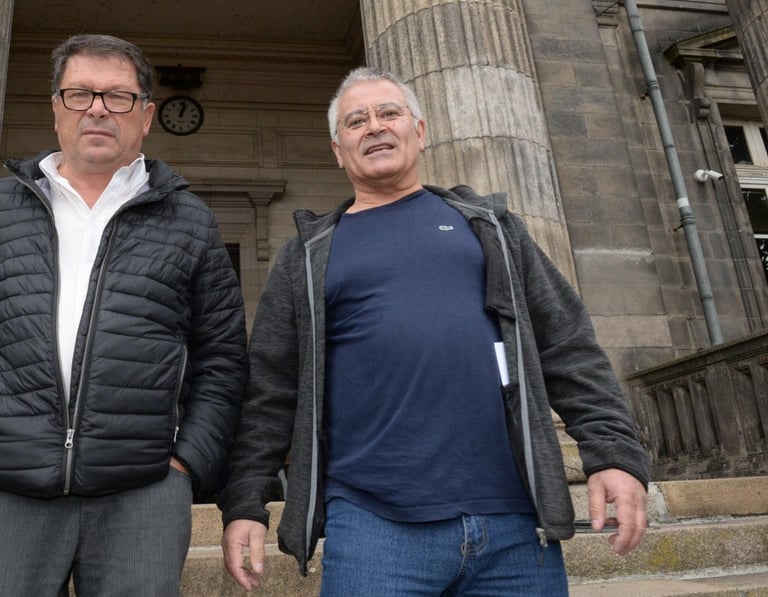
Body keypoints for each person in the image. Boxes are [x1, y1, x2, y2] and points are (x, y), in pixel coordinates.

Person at [218, 66, 650, 596]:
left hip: (513, 524)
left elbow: (567, 345)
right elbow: (270, 389)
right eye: (356, 120)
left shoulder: (490, 229)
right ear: (338, 149)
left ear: (419, 132)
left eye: (389, 113)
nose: (374, 126)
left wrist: (613, 453)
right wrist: (246, 502)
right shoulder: (307, 256)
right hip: (373, 528)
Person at [0, 33, 248, 596]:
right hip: (8, 489)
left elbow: (224, 360)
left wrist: (186, 466)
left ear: (146, 115)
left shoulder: (191, 221)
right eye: (80, 94)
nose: (98, 110)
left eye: (118, 97)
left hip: (142, 492)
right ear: (56, 108)